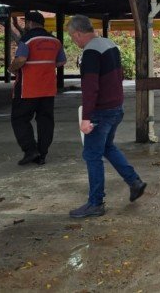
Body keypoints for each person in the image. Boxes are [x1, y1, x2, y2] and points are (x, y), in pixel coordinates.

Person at [66, 14, 146, 218]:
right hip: (116, 107)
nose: (73, 41)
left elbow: (90, 87)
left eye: (72, 37)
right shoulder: (110, 44)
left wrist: (86, 117)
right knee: (107, 147)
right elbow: (118, 77)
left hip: (100, 112)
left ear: (78, 34)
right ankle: (134, 181)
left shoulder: (91, 52)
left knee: (92, 155)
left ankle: (96, 203)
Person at [9, 11, 66, 166]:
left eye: (26, 22)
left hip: (28, 88)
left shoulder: (27, 39)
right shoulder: (55, 41)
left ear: (30, 23)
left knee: (19, 118)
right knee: (45, 121)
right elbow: (61, 62)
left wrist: (11, 68)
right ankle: (42, 154)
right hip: (48, 89)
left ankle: (30, 150)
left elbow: (21, 59)